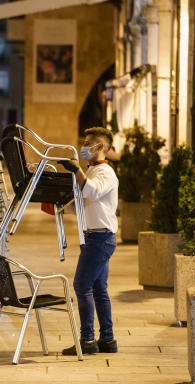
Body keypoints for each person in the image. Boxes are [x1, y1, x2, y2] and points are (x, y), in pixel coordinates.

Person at [58, 127, 119, 355]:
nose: (84, 147)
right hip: (95, 237)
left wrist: (76, 170)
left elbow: (92, 192)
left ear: (100, 147)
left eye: (88, 143)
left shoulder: (105, 173)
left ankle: (87, 340)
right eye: (83, 142)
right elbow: (83, 201)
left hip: (100, 238)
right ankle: (108, 339)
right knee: (98, 288)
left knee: (82, 286)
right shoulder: (92, 170)